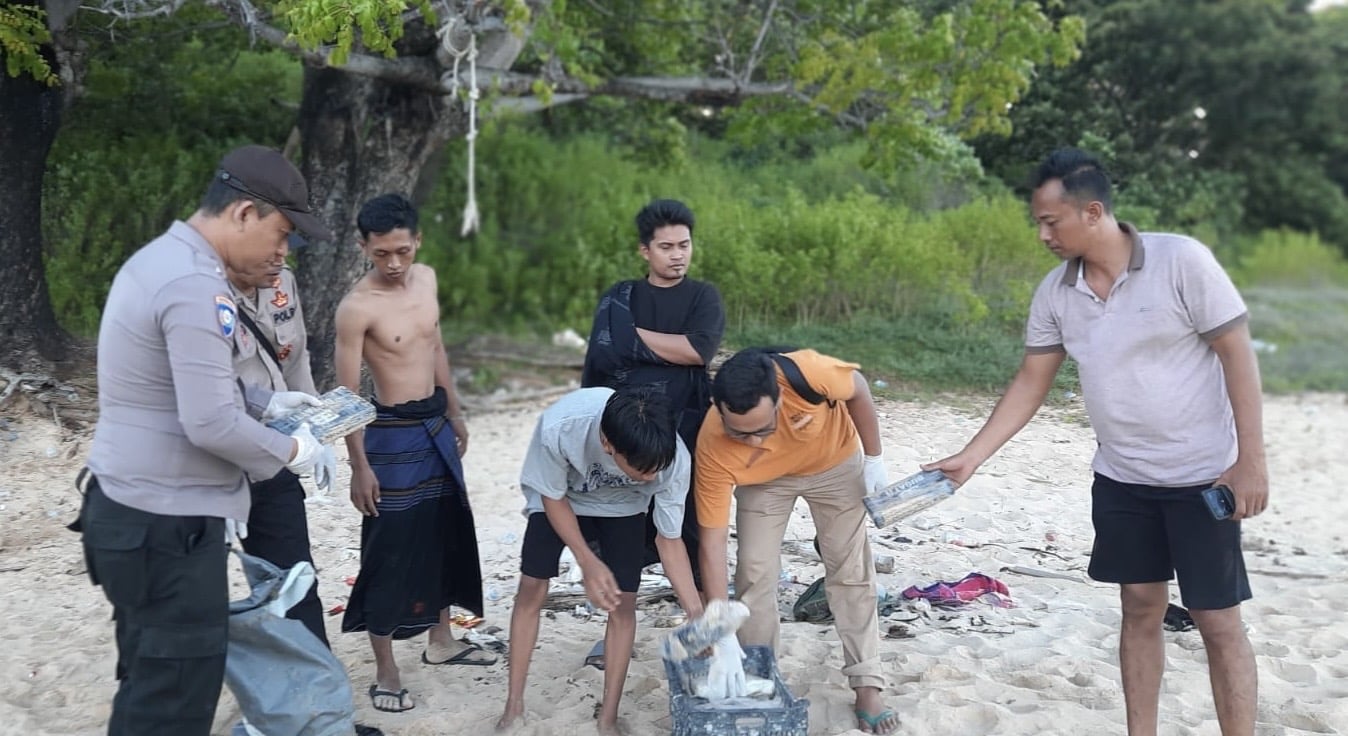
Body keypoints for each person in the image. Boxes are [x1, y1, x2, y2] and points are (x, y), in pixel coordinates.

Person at [924, 148, 1267, 736]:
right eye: (1037, 222)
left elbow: (1237, 355)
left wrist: (1250, 461)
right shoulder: (1057, 293)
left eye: (1050, 221)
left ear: (1093, 211)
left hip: (1202, 477)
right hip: (1121, 480)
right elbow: (1033, 380)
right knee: (1138, 607)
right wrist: (972, 457)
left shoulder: (1182, 262)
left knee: (1216, 620)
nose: (1042, 235)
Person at [72, 145, 331, 736]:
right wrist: (296, 449)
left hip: (133, 515)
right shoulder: (196, 285)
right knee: (175, 699)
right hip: (167, 528)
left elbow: (182, 383)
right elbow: (209, 422)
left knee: (149, 681)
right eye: (281, 233)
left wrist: (271, 402)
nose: (283, 252)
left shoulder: (160, 260)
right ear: (243, 213)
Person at [335, 193, 494, 716]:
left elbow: (436, 346)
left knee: (443, 532)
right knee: (390, 548)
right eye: (382, 254)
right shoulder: (357, 307)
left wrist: (455, 412)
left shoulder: (425, 279)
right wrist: (359, 465)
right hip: (390, 435)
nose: (395, 263)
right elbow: (347, 398)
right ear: (364, 248)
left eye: (402, 250)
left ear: (417, 241)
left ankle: (441, 639)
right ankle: (386, 668)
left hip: (434, 424)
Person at [694, 347, 898, 735]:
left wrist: (874, 458)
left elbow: (858, 388)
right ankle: (758, 676)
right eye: (740, 432)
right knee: (754, 573)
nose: (752, 441)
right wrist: (719, 624)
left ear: (780, 398)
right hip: (763, 483)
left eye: (762, 428)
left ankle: (867, 684)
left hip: (834, 465)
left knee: (850, 569)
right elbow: (713, 542)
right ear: (718, 409)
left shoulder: (808, 372)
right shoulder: (712, 444)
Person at [495, 386, 702, 735]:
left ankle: (608, 716)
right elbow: (552, 496)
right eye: (641, 468)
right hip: (563, 497)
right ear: (607, 444)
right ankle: (514, 704)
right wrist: (587, 561)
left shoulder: (673, 460)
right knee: (531, 587)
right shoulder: (562, 426)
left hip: (624, 506)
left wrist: (696, 612)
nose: (652, 477)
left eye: (657, 468)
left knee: (624, 604)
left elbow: (669, 540)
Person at [579, 198, 724, 668]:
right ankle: (614, 633)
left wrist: (631, 340)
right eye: (666, 247)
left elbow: (699, 351)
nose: (678, 255)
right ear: (645, 251)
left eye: (684, 245)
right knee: (623, 531)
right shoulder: (620, 297)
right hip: (627, 435)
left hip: (689, 429)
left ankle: (702, 630)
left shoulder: (704, 297)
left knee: (693, 529)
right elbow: (599, 363)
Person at [226, 252, 336, 646]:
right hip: (216, 463)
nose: (281, 252)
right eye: (273, 236)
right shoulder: (196, 292)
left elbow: (295, 359)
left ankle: (316, 690)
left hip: (278, 455)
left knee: (295, 578)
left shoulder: (280, 281)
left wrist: (314, 430)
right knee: (196, 591)